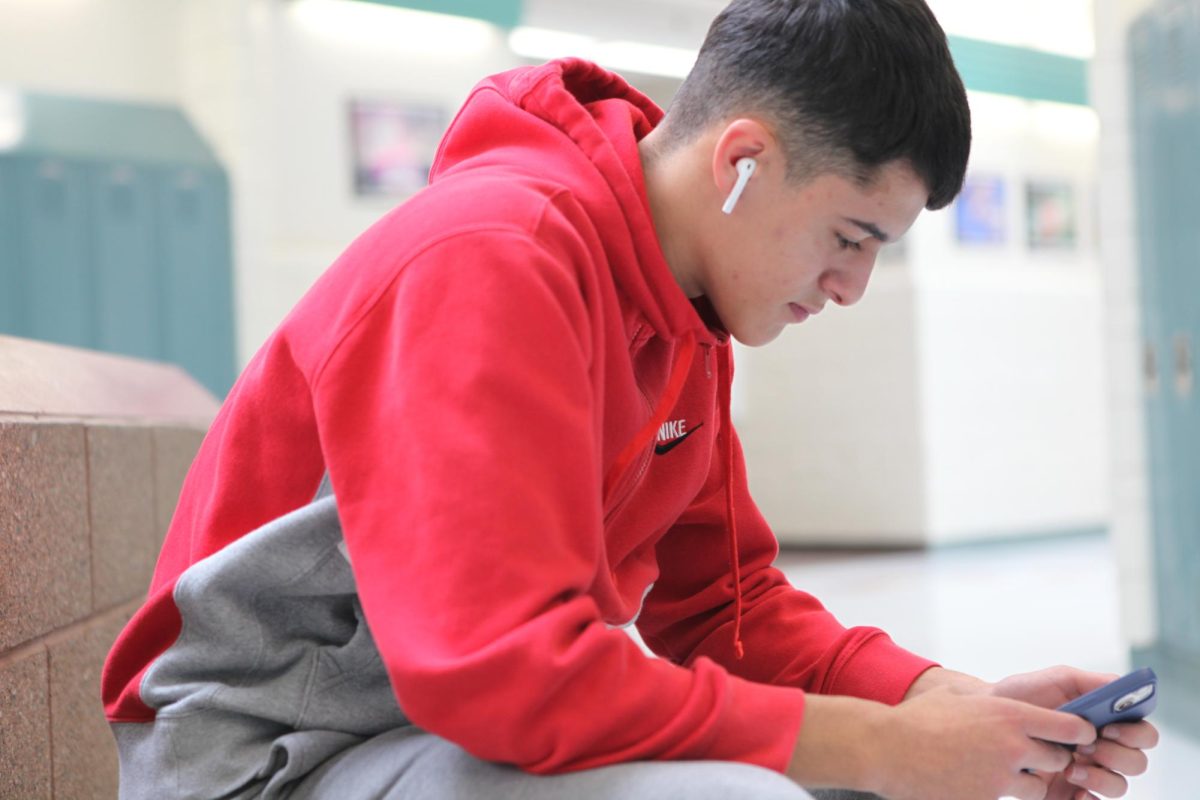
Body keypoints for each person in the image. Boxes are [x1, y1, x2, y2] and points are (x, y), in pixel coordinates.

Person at [102, 0, 1158, 798]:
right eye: (850, 238)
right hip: (262, 756)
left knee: (854, 775)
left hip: (425, 734)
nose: (850, 288)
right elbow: (505, 671)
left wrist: (944, 704)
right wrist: (885, 746)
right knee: (742, 791)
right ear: (743, 159)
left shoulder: (682, 314)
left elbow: (722, 609)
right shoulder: (492, 259)